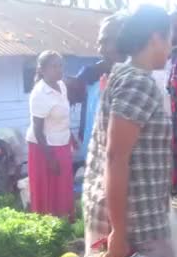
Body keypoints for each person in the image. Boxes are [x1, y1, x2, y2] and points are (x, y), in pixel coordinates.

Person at [83, 5, 177, 257]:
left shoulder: (126, 75)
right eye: (170, 37)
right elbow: (117, 157)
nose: (172, 45)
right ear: (156, 37)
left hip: (129, 217)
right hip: (136, 225)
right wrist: (119, 232)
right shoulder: (138, 83)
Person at [66, 14, 126, 164]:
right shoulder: (93, 75)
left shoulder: (142, 81)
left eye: (106, 42)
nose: (100, 49)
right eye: (100, 43)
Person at [26, 51, 75, 220]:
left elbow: (63, 115)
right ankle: (47, 225)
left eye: (61, 65)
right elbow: (38, 130)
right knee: (47, 190)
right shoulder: (39, 94)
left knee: (63, 186)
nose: (59, 69)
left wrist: (72, 136)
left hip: (62, 142)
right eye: (54, 66)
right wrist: (50, 158)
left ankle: (64, 222)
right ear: (42, 69)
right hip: (44, 148)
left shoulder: (61, 85)